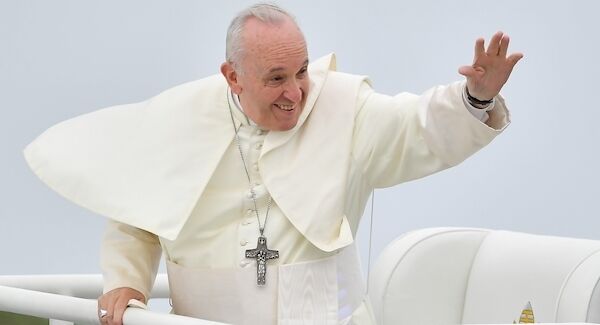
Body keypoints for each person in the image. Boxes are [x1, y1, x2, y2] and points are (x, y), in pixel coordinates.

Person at [24, 3, 522, 325]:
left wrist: (474, 99)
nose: (295, 93)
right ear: (232, 76)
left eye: (302, 71)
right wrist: (127, 282)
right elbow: (137, 215)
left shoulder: (344, 107)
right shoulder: (179, 117)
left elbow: (416, 126)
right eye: (276, 78)